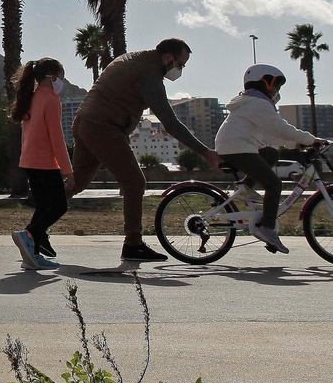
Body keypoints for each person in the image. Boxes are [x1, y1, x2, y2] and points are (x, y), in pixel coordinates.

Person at [68, 38, 221, 261]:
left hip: (85, 122)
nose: (180, 70)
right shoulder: (149, 75)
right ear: (168, 58)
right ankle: (133, 245)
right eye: (181, 64)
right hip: (103, 128)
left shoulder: (135, 58)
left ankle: (34, 231)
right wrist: (206, 152)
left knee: (77, 183)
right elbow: (170, 123)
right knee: (134, 182)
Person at [214, 64, 326, 254]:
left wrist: (295, 144)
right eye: (275, 84)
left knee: (272, 153)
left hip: (237, 145)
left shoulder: (251, 103)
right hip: (238, 147)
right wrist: (310, 139)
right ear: (263, 82)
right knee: (273, 184)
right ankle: (266, 229)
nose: (276, 90)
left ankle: (246, 188)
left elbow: (269, 134)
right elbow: (280, 127)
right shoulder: (258, 104)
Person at [10, 58, 71, 270]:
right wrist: (68, 170)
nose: (61, 83)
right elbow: (57, 138)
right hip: (45, 162)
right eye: (60, 78)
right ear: (51, 77)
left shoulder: (31, 98)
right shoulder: (51, 100)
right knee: (59, 206)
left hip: (29, 160)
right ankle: (27, 234)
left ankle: (32, 256)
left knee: (44, 206)